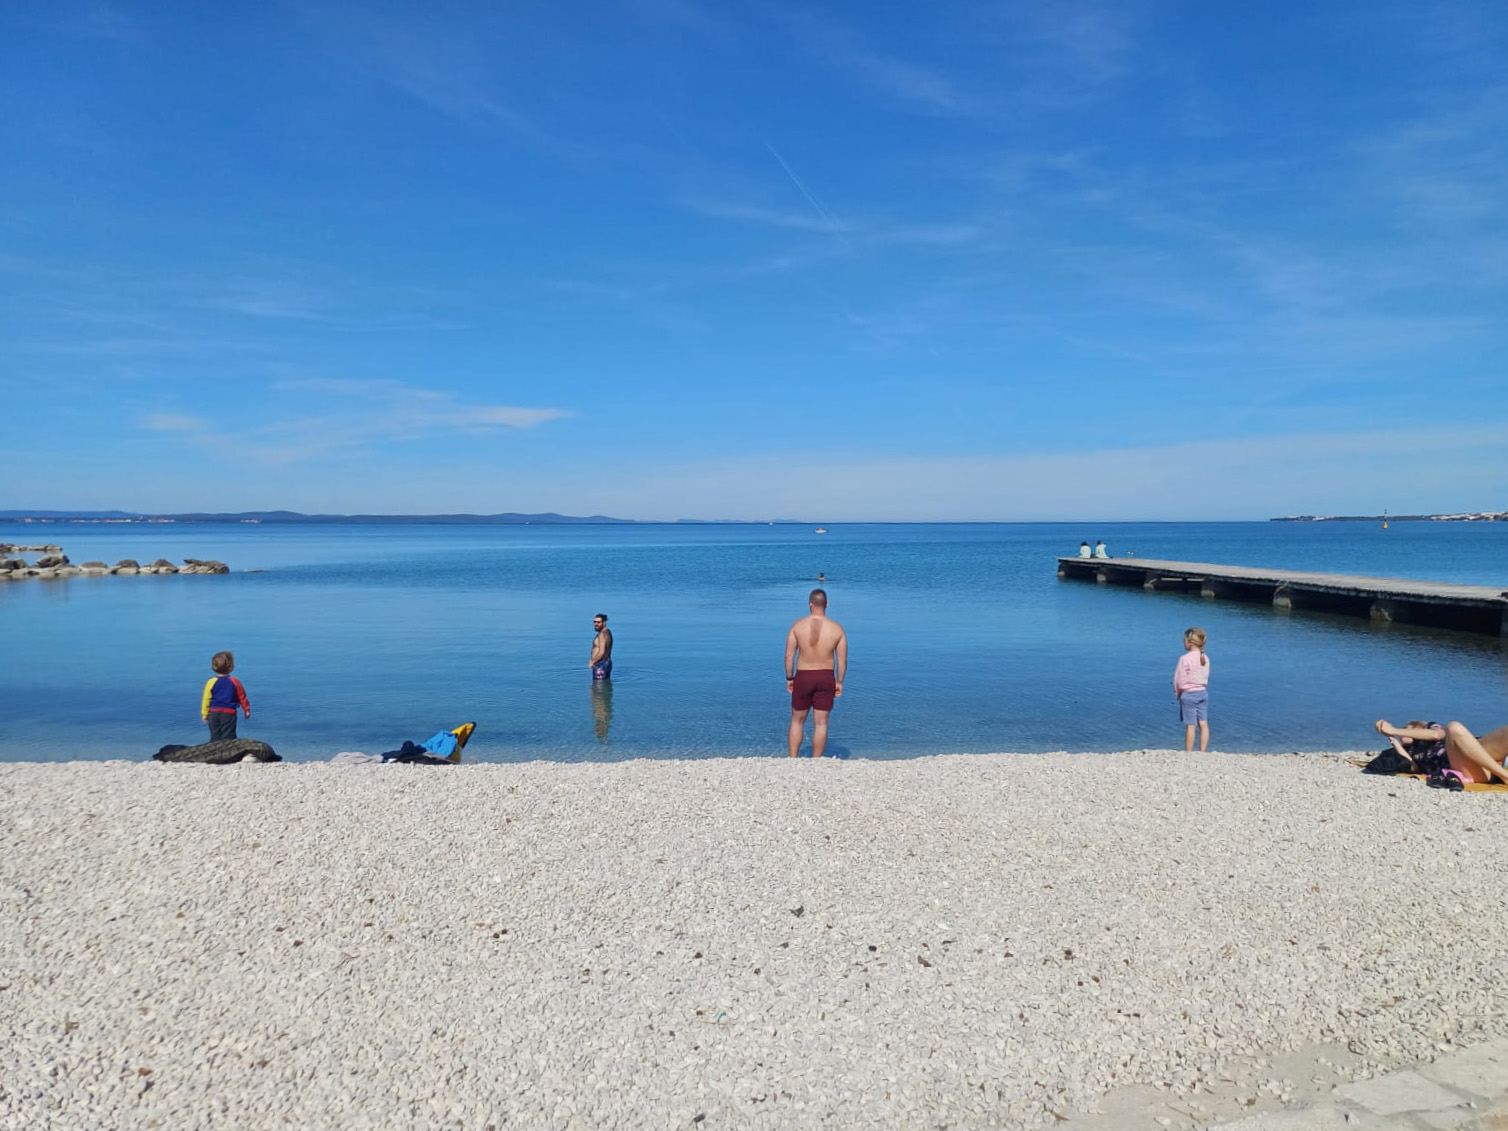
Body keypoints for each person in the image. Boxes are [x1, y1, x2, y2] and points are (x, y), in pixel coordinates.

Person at [784, 588, 847, 758]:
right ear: (827, 604)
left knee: (797, 720)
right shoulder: (837, 629)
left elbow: (789, 655)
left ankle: (792, 758)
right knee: (821, 723)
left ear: (810, 604)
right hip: (826, 676)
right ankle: (817, 761)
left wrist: (789, 677)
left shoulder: (798, 626)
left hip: (804, 676)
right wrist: (839, 681)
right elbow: (842, 661)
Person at [1374, 719, 1508, 785]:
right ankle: (1504, 776)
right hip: (1468, 768)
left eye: (1406, 729)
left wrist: (1394, 730)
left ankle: (1502, 773)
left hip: (1482, 756)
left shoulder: (1432, 729)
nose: (1402, 735)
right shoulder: (1411, 752)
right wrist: (1392, 739)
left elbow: (1435, 735)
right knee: (1454, 727)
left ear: (1417, 727)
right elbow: (1413, 767)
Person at [1173, 627, 1210, 752]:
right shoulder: (1205, 658)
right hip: (1203, 693)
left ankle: (1189, 753)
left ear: (1190, 642)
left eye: (1184, 640)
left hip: (1189, 694)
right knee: (1203, 724)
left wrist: (1178, 693)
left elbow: (1179, 680)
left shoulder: (1185, 659)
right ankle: (1202, 752)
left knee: (1191, 725)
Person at [201, 650, 251, 741]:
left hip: (213, 713)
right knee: (228, 736)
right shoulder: (235, 681)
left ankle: (214, 749)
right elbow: (242, 696)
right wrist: (246, 709)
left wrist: (204, 713)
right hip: (229, 713)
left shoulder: (210, 682)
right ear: (230, 667)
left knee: (215, 736)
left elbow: (206, 699)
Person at [589, 613, 613, 680]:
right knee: (605, 684)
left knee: (598, 685)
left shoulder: (601, 634)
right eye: (594, 622)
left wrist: (592, 662)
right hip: (607, 662)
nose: (596, 624)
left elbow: (601, 652)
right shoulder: (607, 632)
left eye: (598, 622)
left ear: (604, 623)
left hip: (600, 664)